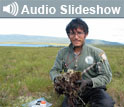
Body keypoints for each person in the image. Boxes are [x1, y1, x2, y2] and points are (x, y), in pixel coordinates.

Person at [50, 18, 115, 107]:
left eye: (79, 33)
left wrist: (88, 82)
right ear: (68, 35)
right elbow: (54, 70)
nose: (76, 37)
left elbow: (106, 76)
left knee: (106, 104)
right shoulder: (62, 53)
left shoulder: (97, 53)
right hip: (73, 91)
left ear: (86, 34)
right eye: (72, 33)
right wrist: (59, 81)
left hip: (94, 89)